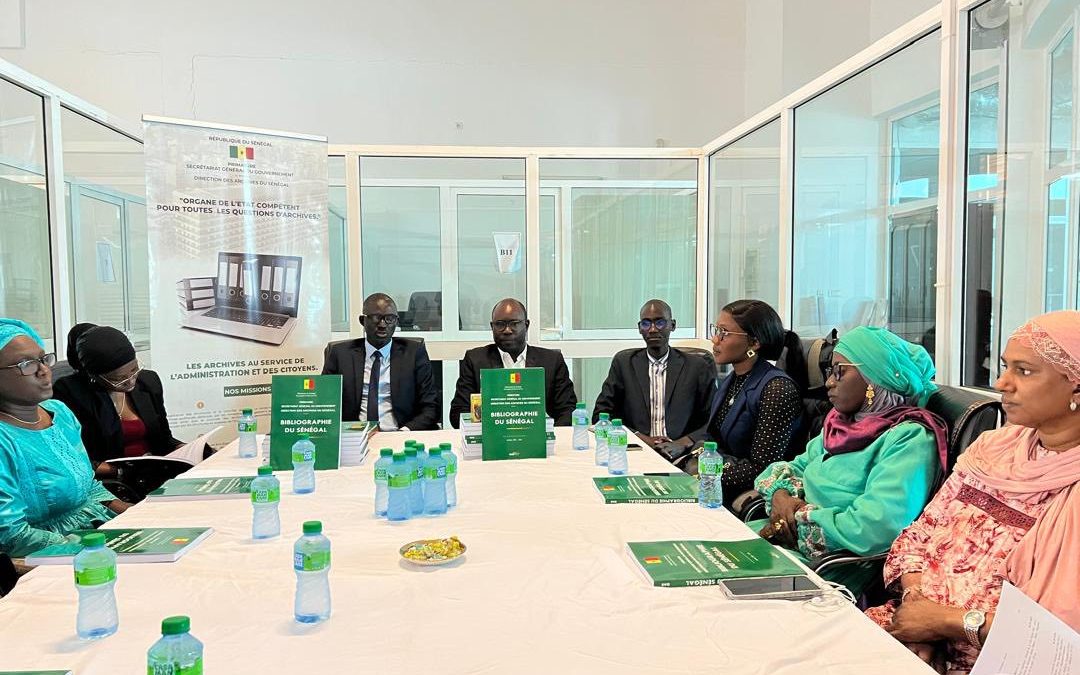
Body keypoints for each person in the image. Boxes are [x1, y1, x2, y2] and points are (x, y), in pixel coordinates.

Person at [866, 311, 1080, 673]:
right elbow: (917, 537)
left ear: (1076, 385)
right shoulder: (992, 450)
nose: (1001, 383)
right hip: (908, 634)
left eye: (1023, 371)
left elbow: (1059, 640)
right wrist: (917, 613)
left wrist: (945, 622)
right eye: (1005, 367)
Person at [753, 326, 946, 595]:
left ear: (873, 379)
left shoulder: (909, 438)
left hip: (830, 564)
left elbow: (874, 526)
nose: (830, 382)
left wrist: (795, 518)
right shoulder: (841, 424)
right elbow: (794, 466)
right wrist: (780, 496)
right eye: (830, 371)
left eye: (840, 371)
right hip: (785, 540)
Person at [0, 318, 128, 558]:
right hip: (46, 555)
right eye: (26, 364)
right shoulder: (3, 440)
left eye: (43, 358)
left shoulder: (60, 412)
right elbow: (11, 535)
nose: (43, 370)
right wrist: (88, 549)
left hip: (97, 534)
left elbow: (89, 486)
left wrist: (134, 515)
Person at [656, 299, 805, 502]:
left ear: (754, 342)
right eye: (716, 330)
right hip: (716, 481)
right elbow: (713, 438)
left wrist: (702, 477)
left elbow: (764, 469)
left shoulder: (777, 389)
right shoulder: (732, 380)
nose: (715, 340)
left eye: (724, 333)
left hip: (743, 492)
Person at [53, 324, 185, 478]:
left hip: (156, 473)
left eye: (134, 370)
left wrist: (186, 449)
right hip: (112, 481)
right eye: (119, 379)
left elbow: (164, 440)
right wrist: (121, 472)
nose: (130, 382)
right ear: (93, 375)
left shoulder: (148, 381)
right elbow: (74, 458)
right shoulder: (71, 393)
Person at [592, 299, 715, 448]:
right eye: (646, 323)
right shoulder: (624, 364)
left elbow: (714, 419)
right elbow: (601, 416)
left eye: (660, 322)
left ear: (673, 325)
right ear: (639, 328)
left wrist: (682, 443)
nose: (652, 329)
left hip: (682, 452)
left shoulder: (697, 366)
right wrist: (639, 438)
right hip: (636, 449)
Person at [450, 298, 577, 427]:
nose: (507, 330)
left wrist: (548, 437)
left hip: (540, 441)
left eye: (514, 323)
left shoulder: (552, 361)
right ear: (492, 327)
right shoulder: (475, 360)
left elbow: (567, 410)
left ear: (526, 325)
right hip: (492, 441)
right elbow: (458, 412)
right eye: (500, 324)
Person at [322, 293, 440, 430]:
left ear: (396, 321)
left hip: (401, 434)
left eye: (389, 319)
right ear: (362, 320)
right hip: (354, 435)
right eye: (376, 318)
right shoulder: (340, 354)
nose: (383, 324)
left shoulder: (413, 353)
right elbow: (324, 404)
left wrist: (405, 432)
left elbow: (431, 406)